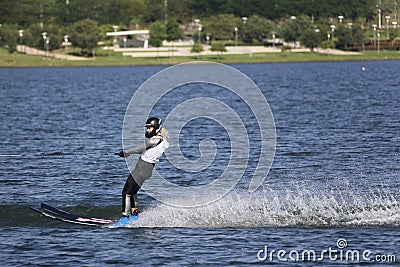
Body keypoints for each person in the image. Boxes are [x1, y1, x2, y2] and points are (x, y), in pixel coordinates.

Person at [114, 117, 169, 226]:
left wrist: (126, 152)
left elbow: (141, 148)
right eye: (147, 128)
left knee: (126, 192)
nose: (147, 130)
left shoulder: (154, 140)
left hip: (141, 169)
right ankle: (134, 217)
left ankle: (124, 219)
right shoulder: (162, 141)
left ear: (157, 128)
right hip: (147, 170)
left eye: (150, 128)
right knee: (133, 192)